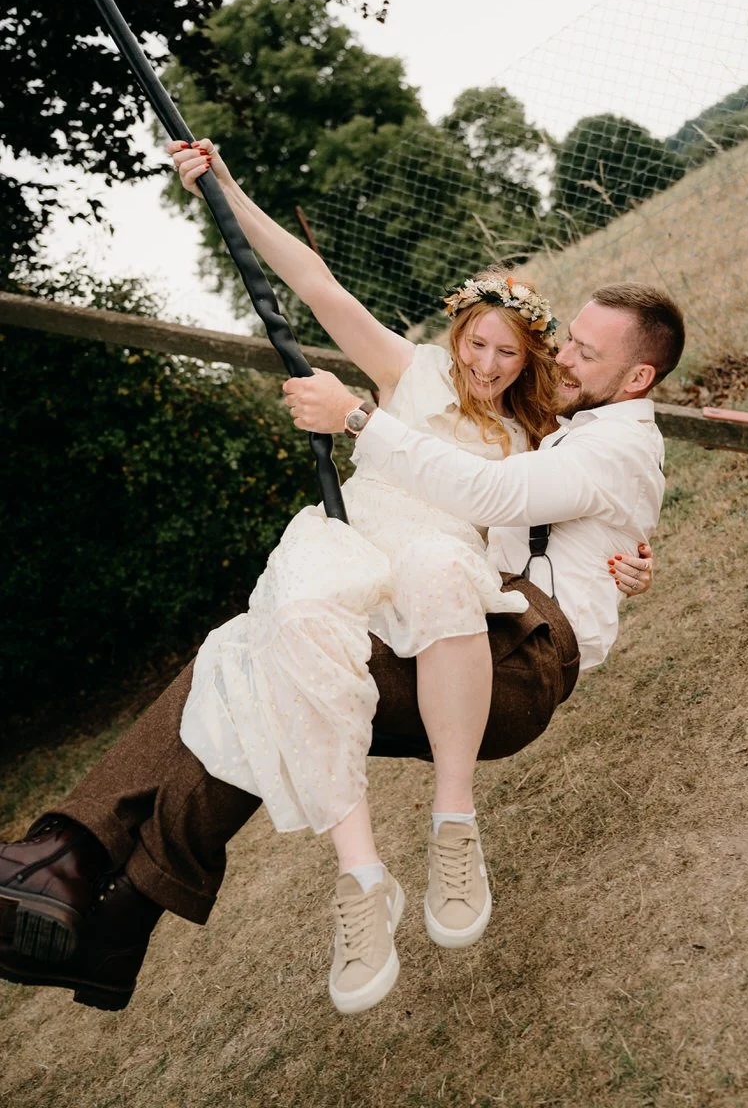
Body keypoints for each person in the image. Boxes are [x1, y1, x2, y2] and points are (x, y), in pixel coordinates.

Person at [0, 272, 666, 1015]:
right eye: (567, 339)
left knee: (274, 651)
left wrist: (357, 420)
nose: (565, 357)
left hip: (519, 644)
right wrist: (627, 557)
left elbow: (496, 497)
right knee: (264, 658)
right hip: (484, 623)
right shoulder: (564, 423)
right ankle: (115, 914)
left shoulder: (614, 444)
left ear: (638, 376)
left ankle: (73, 857)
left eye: (585, 351)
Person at [169, 139, 610, 1014]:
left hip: (434, 554)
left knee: (446, 572)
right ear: (458, 335)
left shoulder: (528, 438)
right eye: (479, 344)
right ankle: (363, 880)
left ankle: (454, 824)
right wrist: (227, 183)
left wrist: (626, 562)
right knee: (294, 621)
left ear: (530, 365)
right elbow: (313, 283)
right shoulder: (406, 371)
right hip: (355, 541)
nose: (487, 365)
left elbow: (588, 495)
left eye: (509, 356)